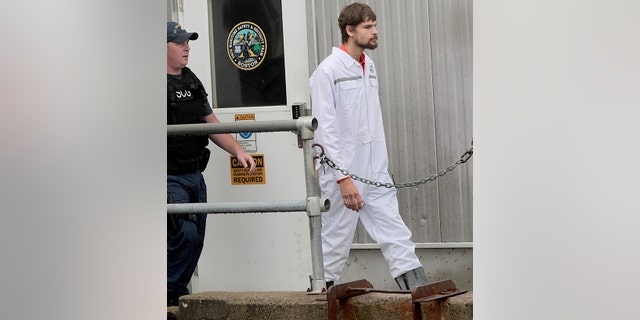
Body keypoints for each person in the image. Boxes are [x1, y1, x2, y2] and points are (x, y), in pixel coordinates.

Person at [309, 3, 429, 290]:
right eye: (368, 27)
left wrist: (380, 168)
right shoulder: (327, 72)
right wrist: (343, 178)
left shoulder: (369, 66)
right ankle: (318, 298)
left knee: (394, 229)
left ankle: (418, 289)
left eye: (374, 25)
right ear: (349, 31)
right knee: (335, 240)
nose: (375, 32)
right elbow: (324, 131)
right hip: (345, 173)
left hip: (375, 169)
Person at [166, 21, 256, 306]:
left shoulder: (191, 80)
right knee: (184, 234)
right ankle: (165, 296)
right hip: (168, 177)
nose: (187, 47)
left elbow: (211, 123)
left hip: (194, 175)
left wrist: (237, 151)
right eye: (180, 42)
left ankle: (175, 296)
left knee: (196, 241)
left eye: (188, 42)